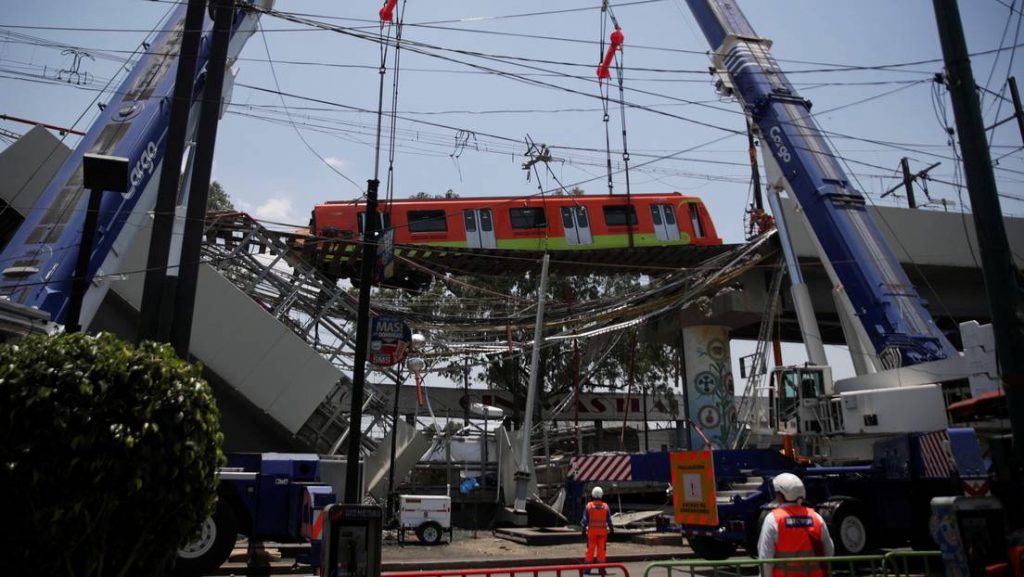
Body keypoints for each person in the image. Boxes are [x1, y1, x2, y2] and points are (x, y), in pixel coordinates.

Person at [758, 473, 834, 577]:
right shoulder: (816, 517)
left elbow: (765, 558)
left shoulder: (773, 519)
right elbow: (829, 550)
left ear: (780, 495)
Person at [581, 486, 614, 573]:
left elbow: (584, 520)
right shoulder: (605, 507)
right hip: (603, 533)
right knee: (601, 551)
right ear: (601, 495)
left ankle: (587, 569)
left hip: (592, 533)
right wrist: (611, 528)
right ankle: (601, 569)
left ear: (592, 494)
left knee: (590, 550)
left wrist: (583, 529)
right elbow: (609, 520)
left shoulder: (589, 506)